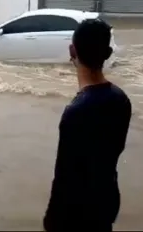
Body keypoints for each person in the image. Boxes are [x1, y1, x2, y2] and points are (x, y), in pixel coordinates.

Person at [43, 19, 131, 232]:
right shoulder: (121, 99)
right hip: (106, 205)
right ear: (109, 53)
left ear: (72, 50)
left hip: (75, 218)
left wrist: (51, 220)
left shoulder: (77, 112)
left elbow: (65, 177)